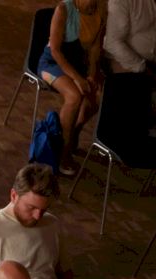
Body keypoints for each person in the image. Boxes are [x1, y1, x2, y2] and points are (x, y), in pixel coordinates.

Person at [37, 0, 106, 176]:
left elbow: (95, 48)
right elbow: (55, 51)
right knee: (74, 96)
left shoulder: (101, 11)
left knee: (99, 95)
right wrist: (77, 79)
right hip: (51, 64)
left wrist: (91, 74)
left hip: (78, 65)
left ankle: (73, 130)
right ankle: (62, 153)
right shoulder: (63, 9)